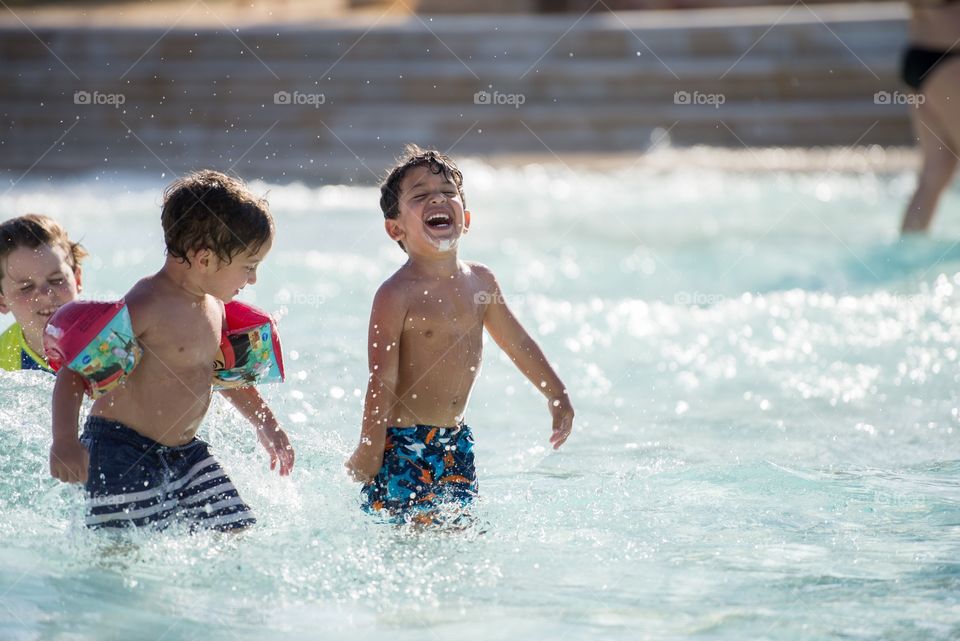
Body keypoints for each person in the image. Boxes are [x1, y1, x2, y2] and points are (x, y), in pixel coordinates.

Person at [49, 170, 294, 532]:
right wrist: (65, 441)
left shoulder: (215, 307)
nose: (253, 280)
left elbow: (222, 375)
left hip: (185, 452)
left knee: (236, 529)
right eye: (249, 267)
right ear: (204, 259)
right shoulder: (147, 304)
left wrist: (267, 424)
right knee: (119, 549)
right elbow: (74, 373)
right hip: (120, 451)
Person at [345, 145, 574, 524]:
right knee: (409, 545)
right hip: (403, 446)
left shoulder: (480, 281)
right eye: (420, 195)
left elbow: (516, 342)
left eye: (448, 192)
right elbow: (381, 376)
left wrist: (555, 392)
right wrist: (369, 448)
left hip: (455, 444)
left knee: (458, 538)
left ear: (465, 218)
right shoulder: (395, 293)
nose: (437, 197)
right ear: (395, 228)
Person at [900, 0, 960, 233]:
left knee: (937, 169)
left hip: (922, 55)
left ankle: (905, 253)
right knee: (934, 172)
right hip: (948, 62)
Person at [0, 214, 85, 372]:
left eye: (56, 280)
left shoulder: (111, 335)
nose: (46, 294)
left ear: (77, 280)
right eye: (26, 287)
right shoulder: (2, 363)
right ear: (2, 301)